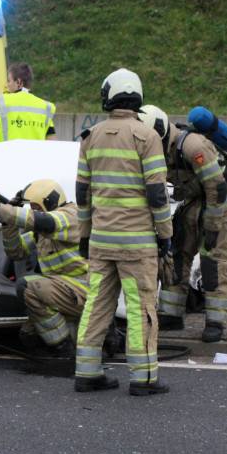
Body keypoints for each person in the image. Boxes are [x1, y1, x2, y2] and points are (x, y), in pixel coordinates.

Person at [73, 68, 172, 396]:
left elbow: (82, 195)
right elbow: (157, 194)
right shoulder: (148, 137)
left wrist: (84, 235)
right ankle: (143, 378)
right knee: (140, 305)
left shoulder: (90, 137)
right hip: (137, 244)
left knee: (96, 303)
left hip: (101, 241)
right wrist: (165, 233)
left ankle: (87, 372)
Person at [140, 105, 227, 343]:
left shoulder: (194, 147)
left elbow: (217, 188)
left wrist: (213, 228)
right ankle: (172, 314)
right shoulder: (156, 147)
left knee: (212, 259)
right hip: (196, 197)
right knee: (177, 252)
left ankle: (216, 321)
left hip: (220, 202)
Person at [0, 179, 87, 357]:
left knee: (28, 287)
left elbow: (44, 221)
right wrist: (8, 224)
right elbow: (15, 252)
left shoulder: (71, 215)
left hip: (84, 288)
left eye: (36, 206)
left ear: (51, 201)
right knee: (28, 335)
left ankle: (63, 347)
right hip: (64, 289)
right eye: (32, 207)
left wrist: (3, 209)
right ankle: (75, 337)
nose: (34, 210)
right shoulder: (44, 233)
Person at [0, 63, 56, 145]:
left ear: (19, 82)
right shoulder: (45, 108)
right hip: (34, 157)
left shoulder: (2, 103)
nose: (7, 85)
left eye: (9, 81)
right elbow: (51, 141)